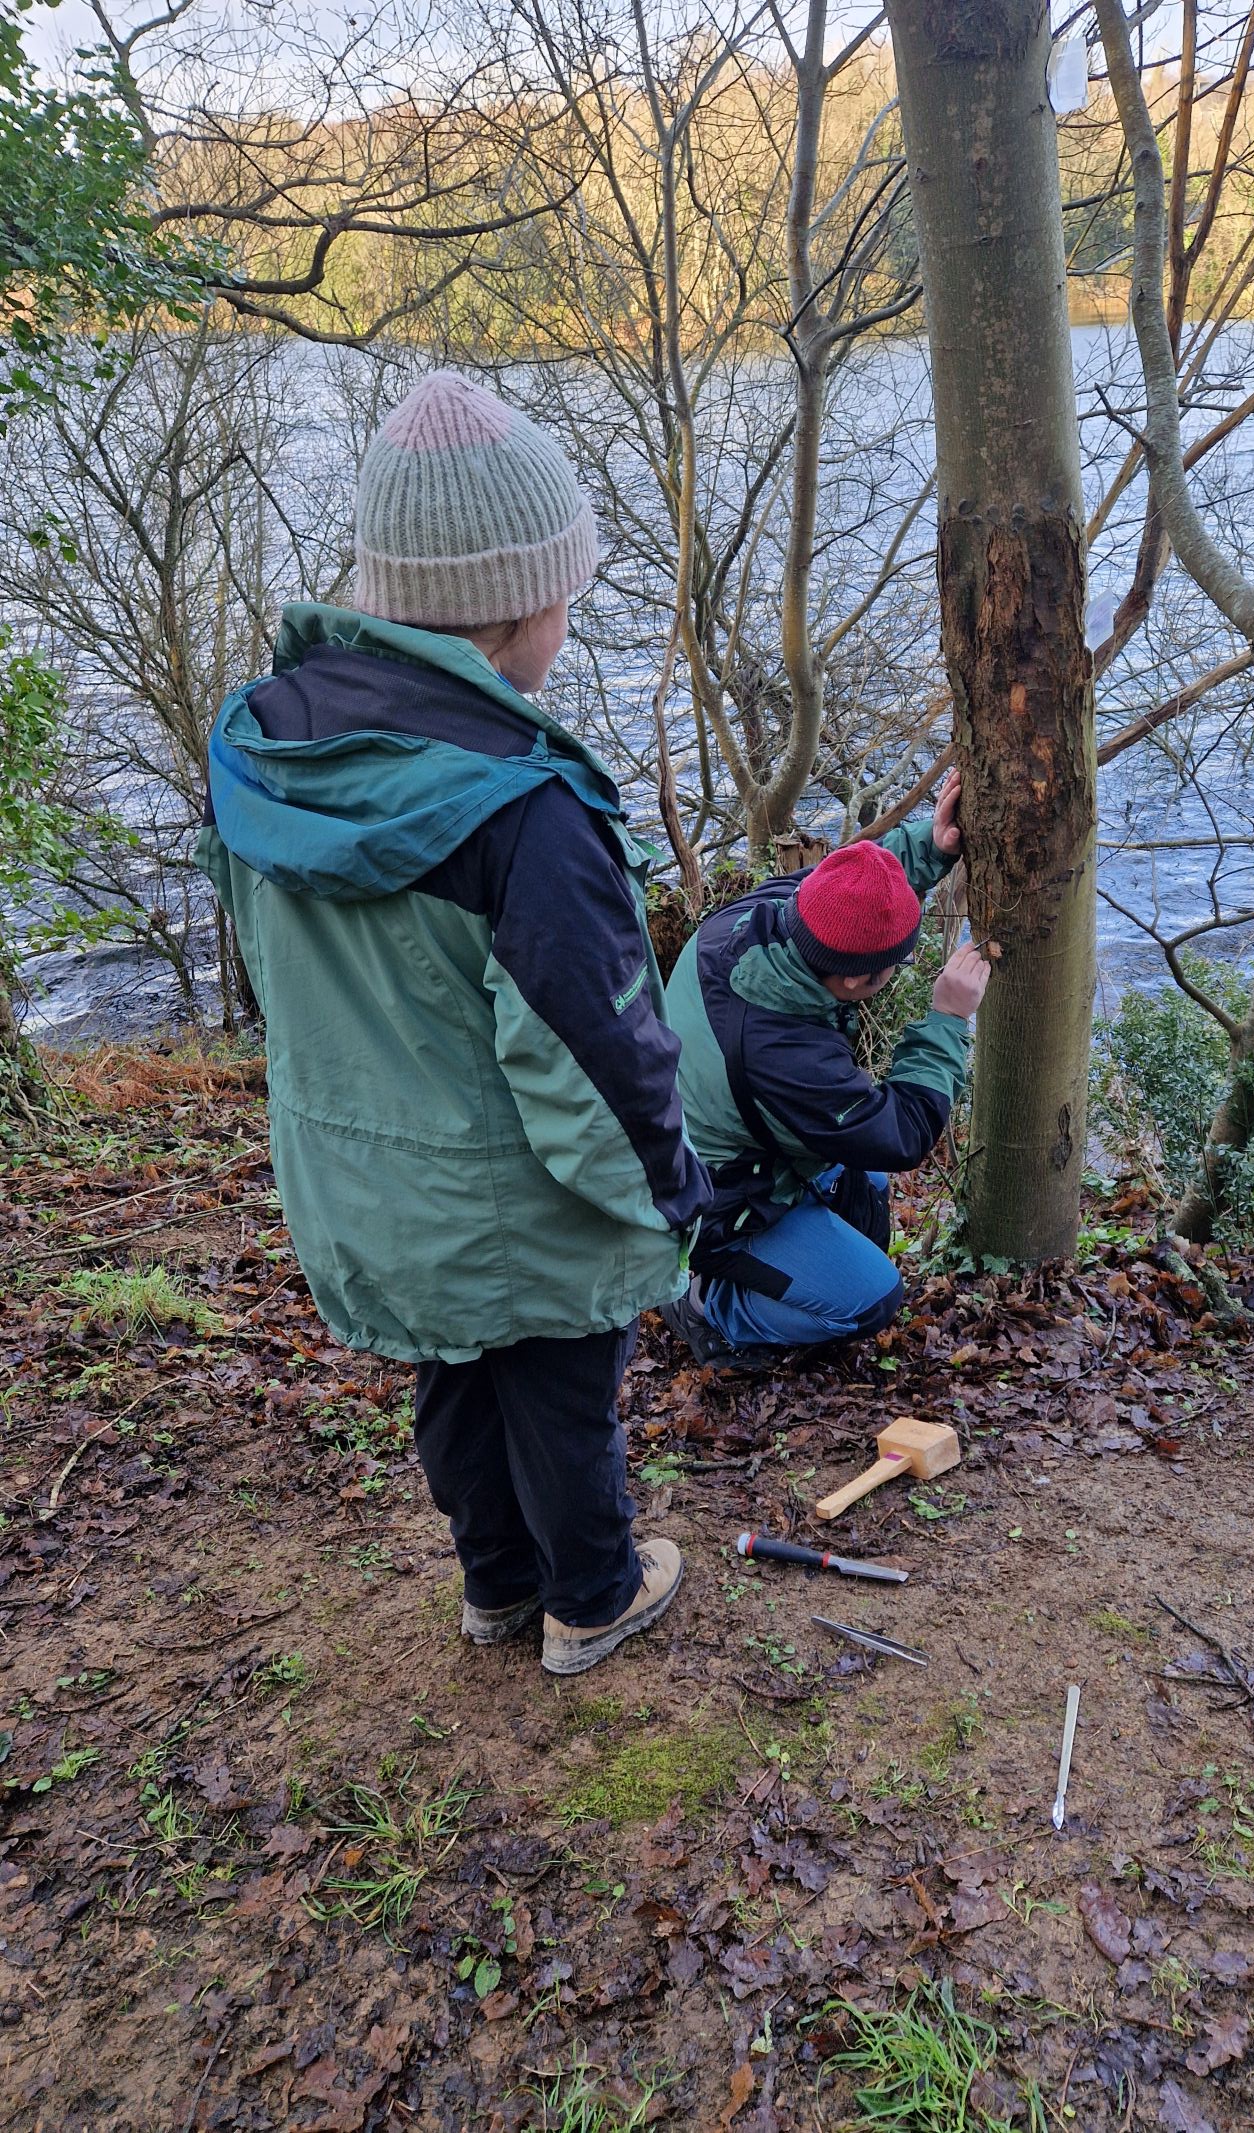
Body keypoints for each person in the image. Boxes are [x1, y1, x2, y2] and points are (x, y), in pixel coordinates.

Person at [197, 370, 711, 1673]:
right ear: (519, 614)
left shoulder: (267, 751)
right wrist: (673, 1187)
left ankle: (493, 1590)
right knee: (557, 1393)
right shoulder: (526, 817)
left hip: (361, 1182)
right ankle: (592, 1595)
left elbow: (270, 970)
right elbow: (597, 1065)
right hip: (513, 1197)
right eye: (563, 600)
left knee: (450, 1374)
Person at [659, 775, 990, 1366]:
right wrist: (947, 1018)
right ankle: (707, 1301)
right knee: (871, 1299)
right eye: (896, 963)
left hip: (715, 1138)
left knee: (870, 1194)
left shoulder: (774, 914)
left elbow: (848, 890)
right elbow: (902, 1133)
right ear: (857, 981)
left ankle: (782, 1260)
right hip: (719, 1198)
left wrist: (933, 846)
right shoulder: (782, 1050)